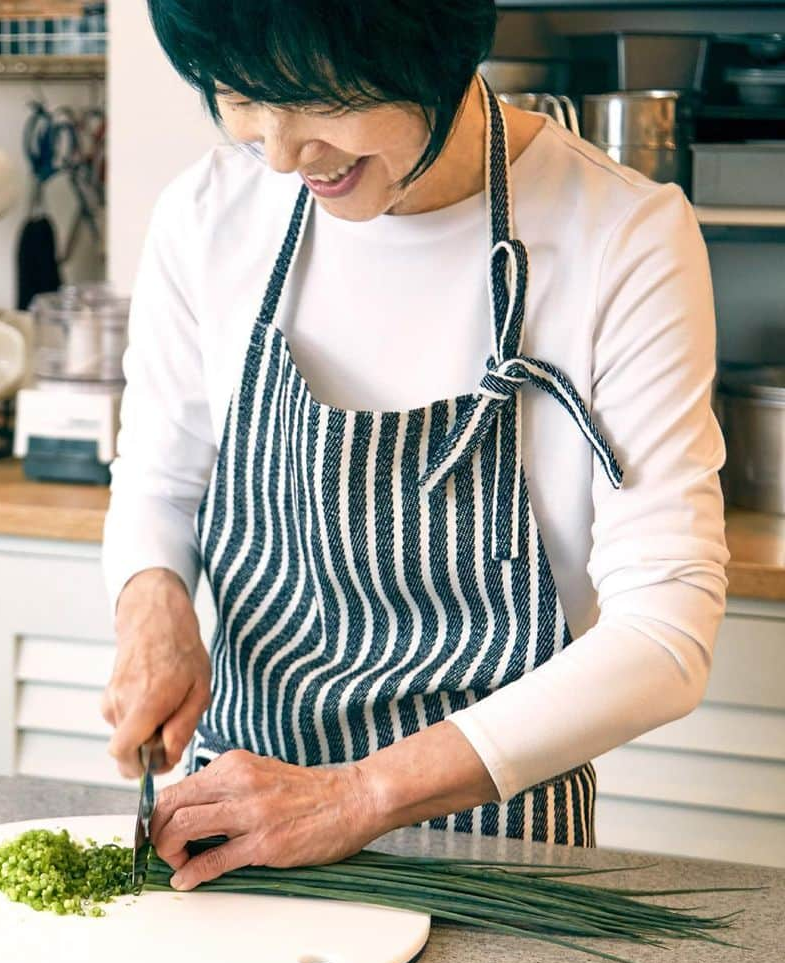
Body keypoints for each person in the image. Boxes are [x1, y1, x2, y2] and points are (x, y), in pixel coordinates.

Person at [100, 0, 728, 891]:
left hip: (496, 854)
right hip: (234, 833)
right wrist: (151, 609)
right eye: (239, 97)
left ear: (438, 49)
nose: (279, 152)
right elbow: (157, 482)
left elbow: (666, 628)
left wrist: (360, 795)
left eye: (318, 100)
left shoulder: (622, 235)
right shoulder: (209, 213)